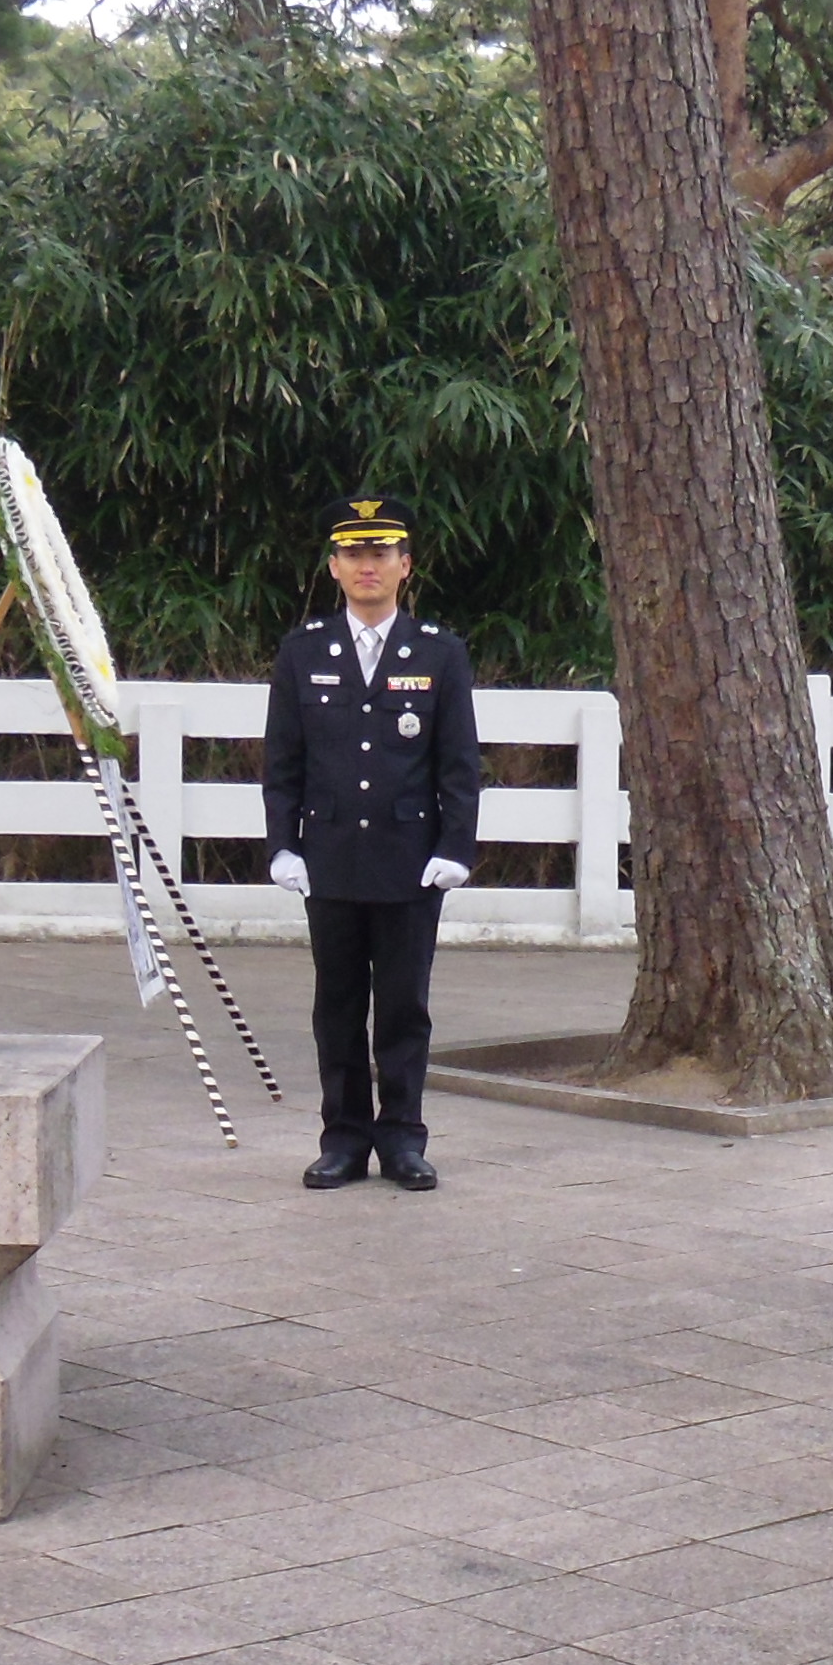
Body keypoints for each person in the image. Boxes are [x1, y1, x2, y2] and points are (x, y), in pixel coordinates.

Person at [263, 496, 481, 1192]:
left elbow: (459, 764)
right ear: (333, 566)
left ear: (405, 566)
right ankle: (344, 1140)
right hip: (328, 859)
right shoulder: (303, 651)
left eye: (381, 553)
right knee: (337, 1007)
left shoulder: (440, 652)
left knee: (403, 1008)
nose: (368, 566)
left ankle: (404, 1139)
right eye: (354, 554)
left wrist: (456, 847)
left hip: (409, 862)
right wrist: (282, 845)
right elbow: (282, 763)